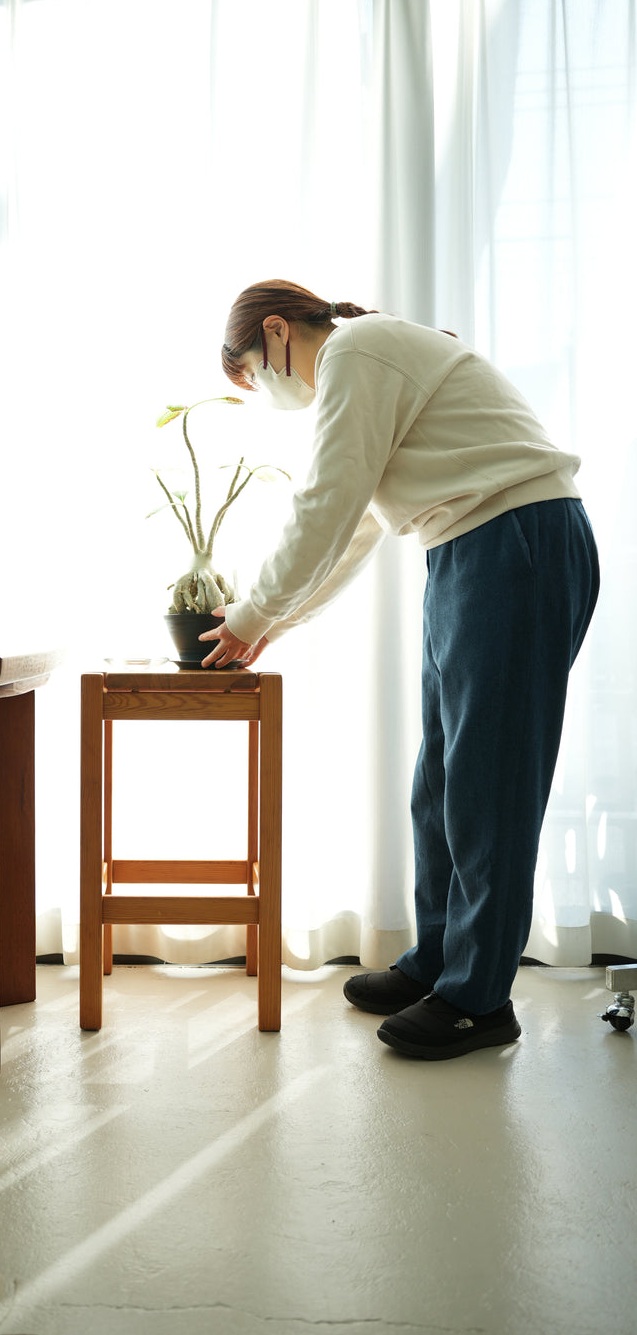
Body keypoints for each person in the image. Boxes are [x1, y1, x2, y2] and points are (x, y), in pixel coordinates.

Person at [200, 279, 599, 1060]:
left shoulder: (356, 350)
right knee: (442, 779)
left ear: (276, 332)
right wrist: (272, 621)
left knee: (489, 782)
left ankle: (479, 1001)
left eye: (253, 374)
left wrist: (250, 615)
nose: (268, 393)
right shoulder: (362, 363)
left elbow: (327, 504)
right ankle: (442, 962)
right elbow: (356, 525)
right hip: (466, 547)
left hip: (514, 537)